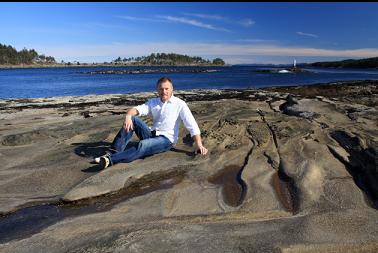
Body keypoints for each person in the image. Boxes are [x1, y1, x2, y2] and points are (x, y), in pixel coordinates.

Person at [95, 76, 208, 169]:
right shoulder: (154, 102)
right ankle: (113, 152)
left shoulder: (180, 104)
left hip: (166, 140)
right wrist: (128, 115)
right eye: (161, 89)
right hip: (151, 133)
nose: (164, 91)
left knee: (143, 145)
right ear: (157, 90)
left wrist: (199, 145)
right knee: (133, 119)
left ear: (172, 89)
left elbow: (192, 125)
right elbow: (138, 109)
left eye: (167, 89)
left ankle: (110, 160)